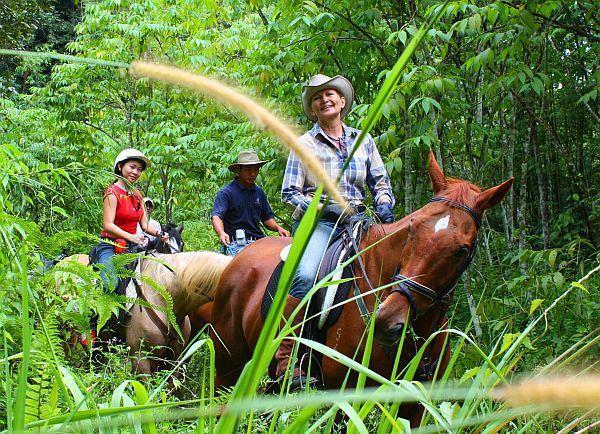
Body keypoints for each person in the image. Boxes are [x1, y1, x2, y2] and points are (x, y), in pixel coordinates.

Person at [279, 74, 395, 386]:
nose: (324, 99)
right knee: (304, 275)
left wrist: (384, 202)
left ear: (342, 101)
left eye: (330, 94)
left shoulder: (364, 140)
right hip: (322, 222)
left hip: (361, 218)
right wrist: (321, 208)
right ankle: (288, 361)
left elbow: (380, 182)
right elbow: (289, 193)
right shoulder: (304, 144)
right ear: (313, 109)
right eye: (317, 97)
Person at [85, 149, 168, 346]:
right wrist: (132, 236)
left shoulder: (138, 195)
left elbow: (145, 225)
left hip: (132, 246)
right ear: (120, 166)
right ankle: (95, 328)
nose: (135, 172)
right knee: (111, 283)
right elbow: (108, 224)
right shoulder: (111, 192)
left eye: (139, 169)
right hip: (110, 245)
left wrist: (159, 233)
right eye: (132, 167)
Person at [212, 150, 290, 256]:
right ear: (239, 170)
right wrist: (221, 233)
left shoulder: (259, 192)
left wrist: (278, 228)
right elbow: (217, 216)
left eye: (256, 169)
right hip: (236, 242)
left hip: (259, 241)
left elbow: (266, 218)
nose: (253, 174)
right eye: (248, 170)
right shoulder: (226, 193)